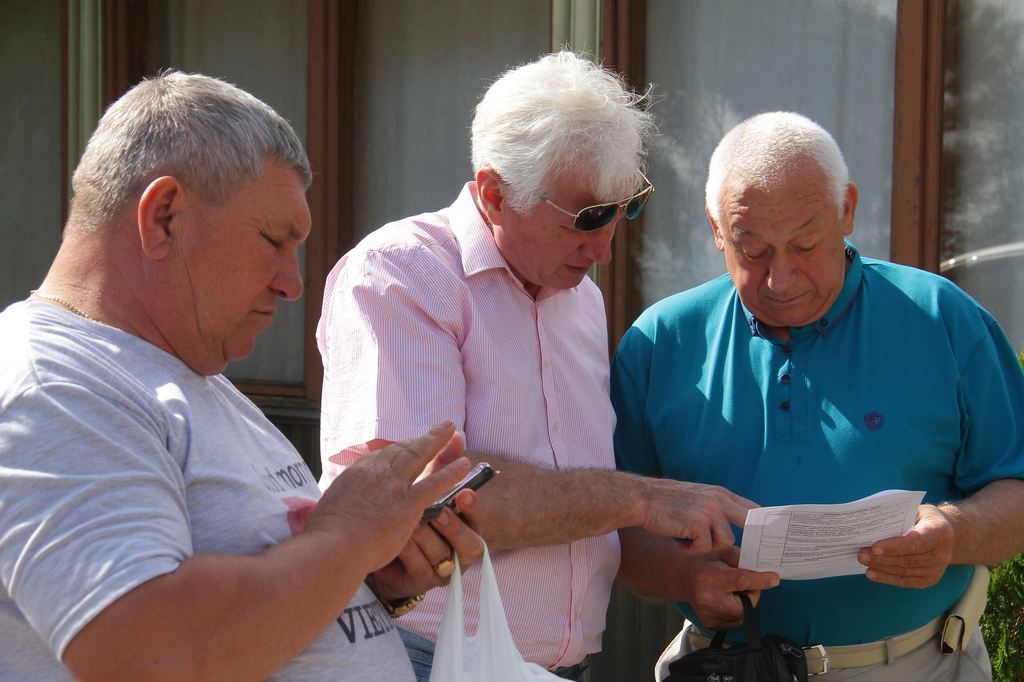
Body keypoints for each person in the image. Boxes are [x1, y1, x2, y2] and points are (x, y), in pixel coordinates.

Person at [0, 71, 486, 681]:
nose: (293, 283)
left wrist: (373, 581)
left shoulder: (186, 377)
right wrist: (351, 534)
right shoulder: (54, 384)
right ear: (164, 217)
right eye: (274, 240)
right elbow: (144, 653)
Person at [317, 51, 756, 681]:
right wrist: (642, 498)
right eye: (587, 217)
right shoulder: (404, 272)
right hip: (421, 658)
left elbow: (584, 512)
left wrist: (684, 573)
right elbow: (430, 498)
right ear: (495, 194)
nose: (605, 248)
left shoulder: (581, 298)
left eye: (625, 208)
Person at [611, 111, 1024, 680]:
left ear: (846, 210)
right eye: (752, 250)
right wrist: (682, 578)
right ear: (716, 229)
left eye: (806, 244)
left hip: (918, 663)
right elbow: (615, 528)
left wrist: (954, 534)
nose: (780, 279)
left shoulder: (943, 318)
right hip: (726, 664)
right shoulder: (660, 342)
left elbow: (1016, 489)